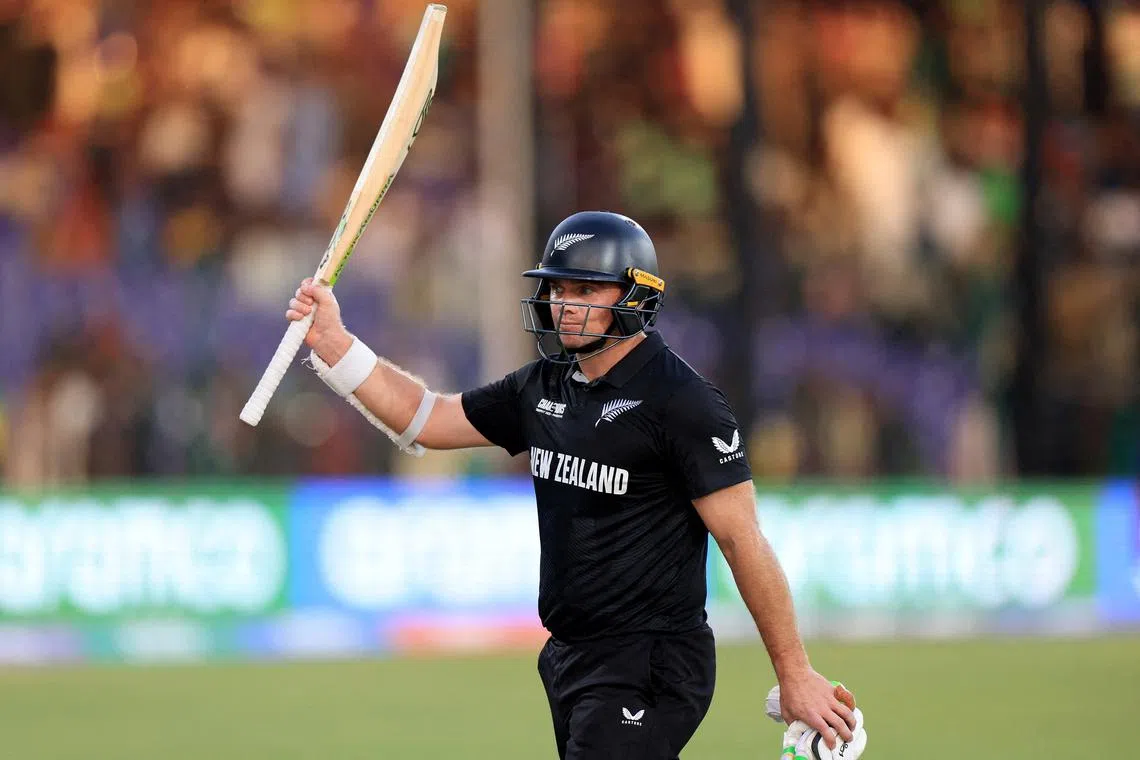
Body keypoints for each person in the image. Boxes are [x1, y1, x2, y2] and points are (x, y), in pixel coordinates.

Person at [285, 211, 857, 759]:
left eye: (585, 291)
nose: (564, 305)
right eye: (558, 289)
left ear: (636, 296)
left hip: (651, 661)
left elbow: (742, 540)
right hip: (567, 658)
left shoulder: (683, 402)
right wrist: (336, 344)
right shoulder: (543, 385)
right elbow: (428, 419)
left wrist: (794, 672)